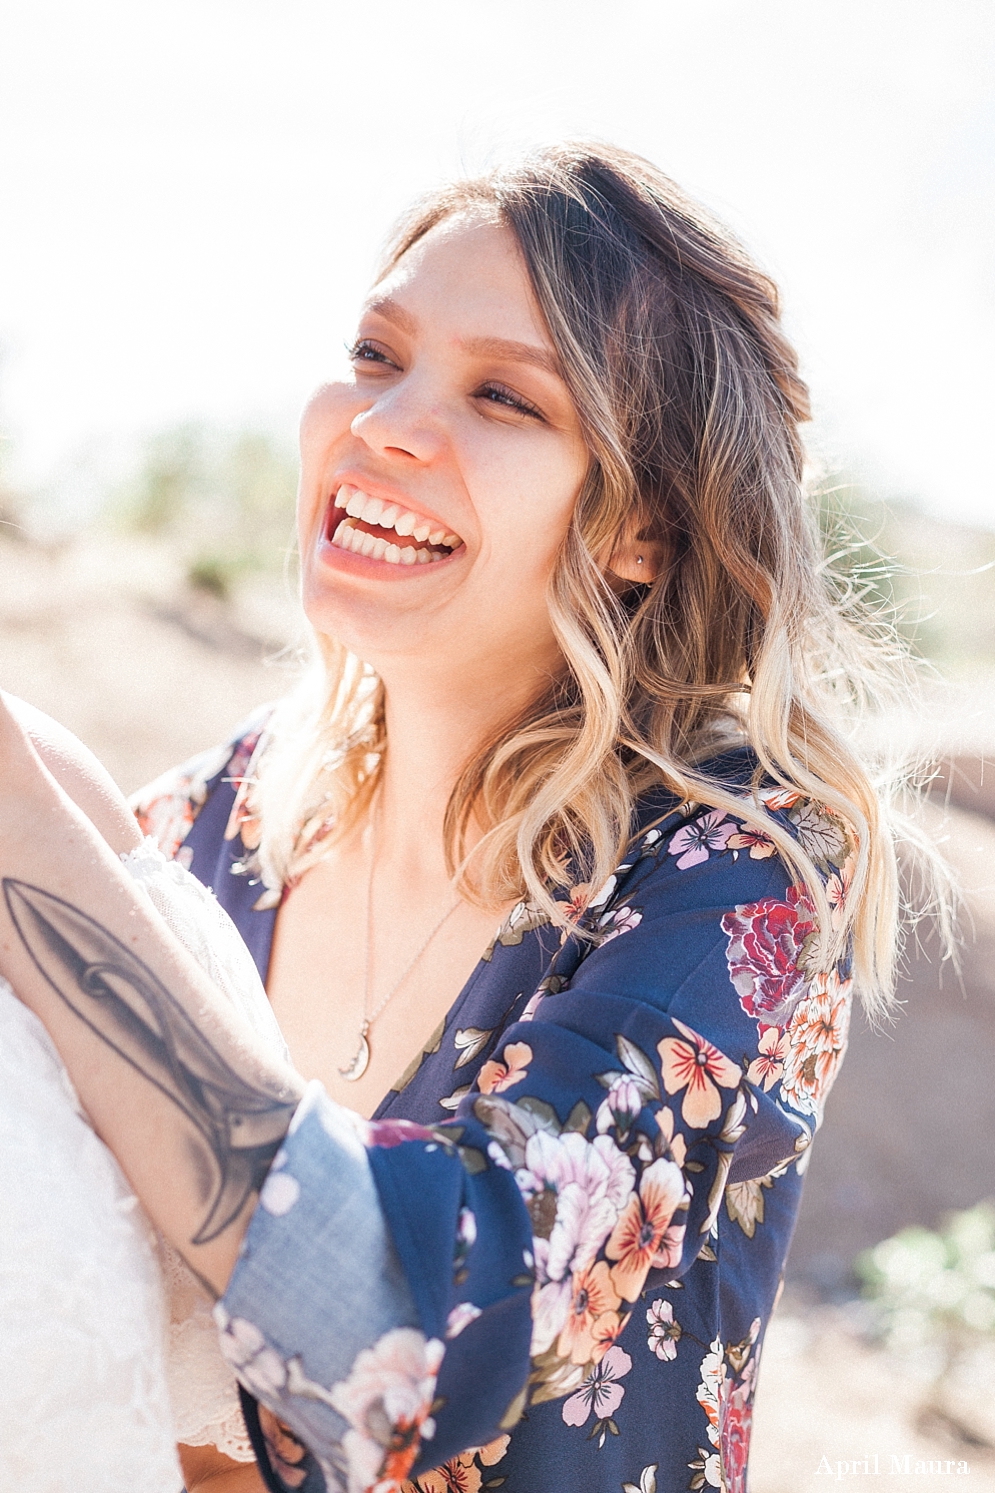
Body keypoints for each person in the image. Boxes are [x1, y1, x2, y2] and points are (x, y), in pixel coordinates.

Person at [4, 142, 920, 1493]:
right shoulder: (197, 829)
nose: (385, 422)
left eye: (504, 396)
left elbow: (418, 1331)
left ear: (645, 532)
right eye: (377, 355)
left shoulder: (735, 875)